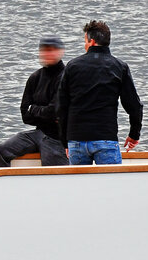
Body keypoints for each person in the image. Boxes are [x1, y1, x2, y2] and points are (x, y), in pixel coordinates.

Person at [56, 20, 143, 165]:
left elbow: (61, 107)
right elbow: (134, 105)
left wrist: (65, 141)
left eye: (85, 41)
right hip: (106, 138)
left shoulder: (72, 66)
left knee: (79, 186)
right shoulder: (119, 67)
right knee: (112, 184)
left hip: (76, 139)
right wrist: (134, 134)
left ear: (91, 42)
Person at [0, 35, 69, 168]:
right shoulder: (35, 77)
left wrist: (34, 109)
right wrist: (45, 114)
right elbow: (25, 115)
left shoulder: (65, 77)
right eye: (44, 50)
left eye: (51, 50)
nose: (47, 53)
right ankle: (2, 188)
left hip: (57, 138)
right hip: (37, 133)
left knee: (54, 176)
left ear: (60, 52)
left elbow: (54, 111)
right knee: (0, 151)